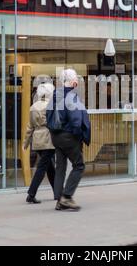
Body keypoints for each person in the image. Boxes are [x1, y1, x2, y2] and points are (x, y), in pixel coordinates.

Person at [46, 69, 91, 211]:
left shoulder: (55, 96)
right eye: (76, 78)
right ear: (73, 81)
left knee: (60, 168)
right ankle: (66, 197)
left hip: (56, 137)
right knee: (79, 165)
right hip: (69, 137)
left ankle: (59, 200)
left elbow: (47, 115)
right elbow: (76, 120)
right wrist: (78, 137)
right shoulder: (71, 96)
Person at [22, 82, 56, 204]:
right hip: (48, 139)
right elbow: (56, 124)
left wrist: (25, 143)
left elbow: (29, 127)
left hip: (37, 140)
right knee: (42, 167)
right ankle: (31, 194)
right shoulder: (51, 106)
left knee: (50, 167)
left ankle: (58, 192)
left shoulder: (33, 106)